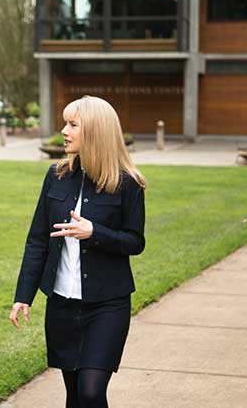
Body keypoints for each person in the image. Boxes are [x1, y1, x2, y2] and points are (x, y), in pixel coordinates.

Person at [10, 95, 146, 408]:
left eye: (73, 124)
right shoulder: (55, 176)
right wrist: (23, 296)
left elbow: (134, 242)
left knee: (91, 391)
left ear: (96, 131)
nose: (64, 130)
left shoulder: (128, 184)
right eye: (65, 123)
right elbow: (37, 240)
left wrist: (94, 233)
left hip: (107, 306)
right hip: (62, 306)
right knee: (74, 395)